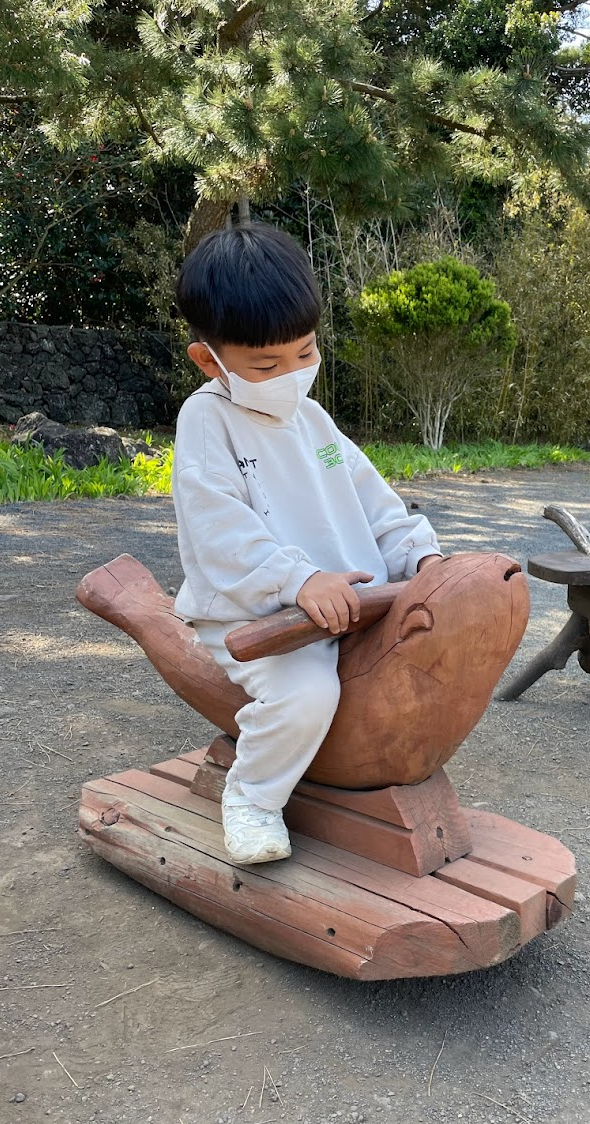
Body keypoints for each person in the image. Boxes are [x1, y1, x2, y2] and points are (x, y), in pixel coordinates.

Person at [172, 222, 443, 865]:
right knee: (306, 695)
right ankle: (253, 797)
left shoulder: (313, 419)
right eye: (267, 365)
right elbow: (219, 531)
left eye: (305, 353)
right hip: (259, 614)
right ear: (210, 361)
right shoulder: (207, 420)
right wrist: (297, 581)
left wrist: (422, 556)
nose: (292, 375)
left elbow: (373, 499)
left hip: (351, 605)